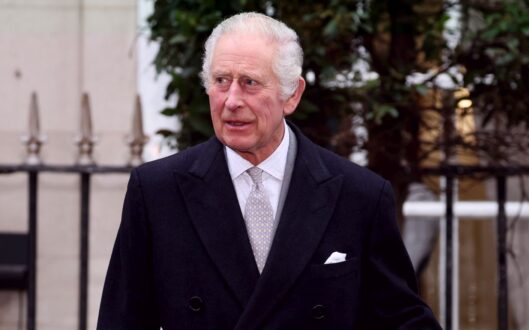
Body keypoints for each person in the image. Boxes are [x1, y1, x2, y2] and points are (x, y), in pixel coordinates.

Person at [97, 12, 441, 330]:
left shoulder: (360, 196)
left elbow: (403, 321)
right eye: (221, 81)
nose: (231, 100)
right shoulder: (157, 191)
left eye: (249, 83)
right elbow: (122, 320)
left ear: (292, 95)